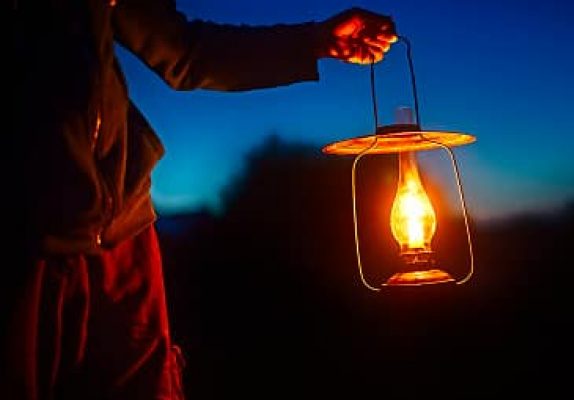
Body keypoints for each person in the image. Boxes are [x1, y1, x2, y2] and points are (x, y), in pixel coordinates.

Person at [5, 1, 396, 399]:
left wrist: (316, 40)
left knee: (144, 383)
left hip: (122, 222)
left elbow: (185, 51)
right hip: (27, 229)